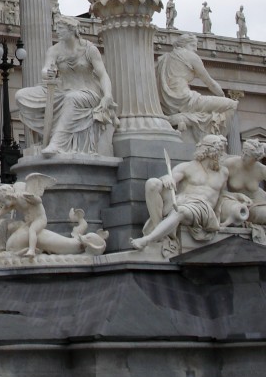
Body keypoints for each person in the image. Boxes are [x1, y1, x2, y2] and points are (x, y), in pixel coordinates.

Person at [15, 15, 117, 156]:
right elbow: (46, 69)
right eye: (57, 28)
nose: (57, 31)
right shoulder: (54, 50)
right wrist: (48, 72)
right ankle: (47, 136)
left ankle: (57, 144)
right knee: (21, 96)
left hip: (87, 93)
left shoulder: (89, 49)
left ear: (72, 30)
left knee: (71, 98)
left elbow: (103, 75)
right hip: (60, 90)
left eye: (61, 28)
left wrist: (107, 95)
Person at [131, 135, 228, 249]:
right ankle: (160, 234)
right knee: (152, 183)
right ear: (209, 151)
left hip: (203, 209)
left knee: (179, 211)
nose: (222, 155)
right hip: (183, 200)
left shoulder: (223, 173)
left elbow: (221, 197)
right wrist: (166, 178)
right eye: (220, 151)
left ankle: (147, 240)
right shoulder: (187, 167)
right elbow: (171, 178)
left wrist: (219, 219)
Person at [155, 33, 237, 141]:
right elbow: (210, 82)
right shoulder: (191, 56)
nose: (196, 49)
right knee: (231, 105)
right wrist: (222, 96)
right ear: (184, 44)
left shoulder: (163, 58)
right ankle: (217, 141)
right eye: (193, 45)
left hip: (166, 104)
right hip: (186, 101)